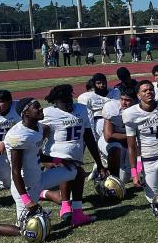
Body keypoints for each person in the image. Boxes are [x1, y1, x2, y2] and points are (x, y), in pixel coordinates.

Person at [0, 97, 73, 239]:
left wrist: (59, 160)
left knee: (75, 171)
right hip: (24, 186)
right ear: (26, 112)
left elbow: (37, 154)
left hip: (39, 179)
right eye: (36, 107)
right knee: (26, 232)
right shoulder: (18, 135)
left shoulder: (38, 127)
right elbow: (16, 171)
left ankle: (76, 213)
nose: (41, 109)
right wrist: (26, 200)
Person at [40, 84, 108, 227]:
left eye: (69, 99)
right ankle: (67, 208)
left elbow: (89, 137)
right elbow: (38, 138)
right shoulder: (49, 113)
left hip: (76, 155)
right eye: (64, 101)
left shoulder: (81, 109)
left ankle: (50, 197)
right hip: (56, 156)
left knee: (71, 181)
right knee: (74, 171)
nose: (69, 103)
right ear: (55, 102)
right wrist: (42, 160)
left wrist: (99, 163)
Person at [124, 80, 158, 218]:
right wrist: (134, 171)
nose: (149, 92)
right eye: (144, 90)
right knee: (153, 195)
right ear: (138, 95)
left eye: (151, 89)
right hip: (149, 157)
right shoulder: (131, 113)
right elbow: (131, 145)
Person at [77, 73, 112, 144]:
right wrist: (92, 137)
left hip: (114, 121)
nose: (102, 85)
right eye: (99, 83)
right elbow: (89, 118)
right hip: (99, 122)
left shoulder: (114, 92)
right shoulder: (86, 97)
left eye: (103, 83)